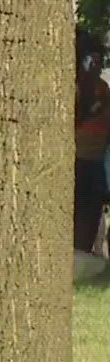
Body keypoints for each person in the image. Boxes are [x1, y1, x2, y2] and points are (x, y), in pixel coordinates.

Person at [80, 33, 110, 254]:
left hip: (96, 160)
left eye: (101, 61)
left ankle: (84, 249)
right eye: (94, 60)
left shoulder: (104, 89)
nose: (98, 65)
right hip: (77, 159)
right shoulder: (77, 87)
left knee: (92, 208)